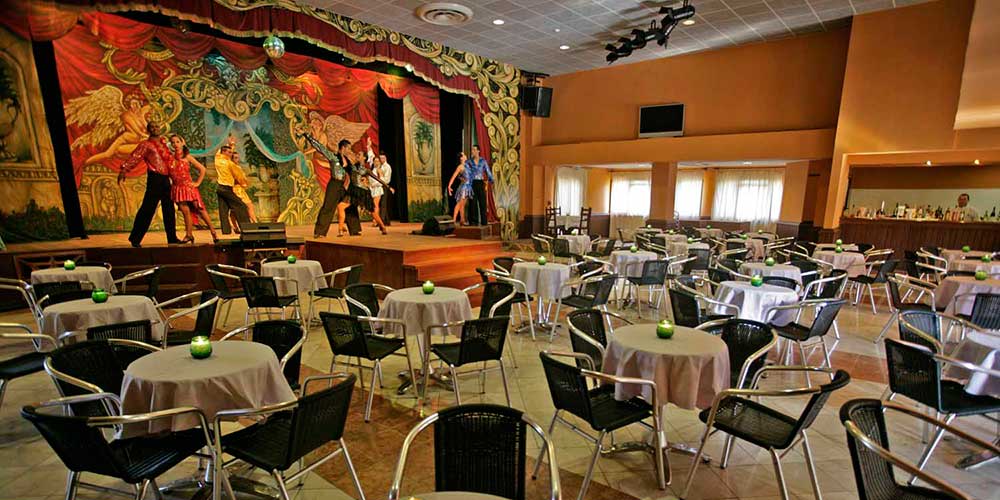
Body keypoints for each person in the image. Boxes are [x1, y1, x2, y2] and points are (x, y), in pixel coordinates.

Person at [117, 120, 180, 248]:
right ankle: (135, 238)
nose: (155, 128)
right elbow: (135, 157)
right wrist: (124, 170)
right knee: (148, 208)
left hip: (165, 179)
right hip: (155, 179)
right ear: (148, 130)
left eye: (157, 126)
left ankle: (172, 238)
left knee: (169, 209)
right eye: (152, 127)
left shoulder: (164, 144)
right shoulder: (146, 144)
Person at [167, 135, 219, 244]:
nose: (175, 144)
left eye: (177, 142)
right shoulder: (170, 158)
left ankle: (213, 232)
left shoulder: (187, 157)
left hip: (188, 187)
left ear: (182, 143)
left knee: (200, 209)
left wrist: (197, 183)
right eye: (173, 142)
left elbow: (202, 169)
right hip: (178, 188)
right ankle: (189, 234)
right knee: (186, 212)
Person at [337, 144, 386, 236]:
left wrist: (388, 187)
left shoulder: (366, 170)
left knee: (373, 212)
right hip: (353, 191)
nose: (357, 156)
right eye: (357, 154)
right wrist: (342, 154)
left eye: (359, 155)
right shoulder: (352, 166)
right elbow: (345, 166)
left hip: (363, 192)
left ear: (364, 158)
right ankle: (340, 229)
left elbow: (378, 179)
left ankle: (382, 226)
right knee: (340, 207)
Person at [306, 134, 350, 238]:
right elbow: (320, 147)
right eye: (348, 148)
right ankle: (319, 231)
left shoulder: (346, 160)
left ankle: (354, 229)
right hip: (334, 185)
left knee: (351, 203)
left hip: (342, 186)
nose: (349, 150)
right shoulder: (333, 157)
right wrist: (307, 135)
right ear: (343, 148)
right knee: (328, 207)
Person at [214, 142, 251, 235]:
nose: (231, 154)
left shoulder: (217, 159)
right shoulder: (229, 164)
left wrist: (230, 145)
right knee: (241, 206)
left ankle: (226, 231)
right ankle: (247, 228)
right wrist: (244, 184)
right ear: (224, 152)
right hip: (226, 188)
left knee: (223, 210)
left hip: (219, 188)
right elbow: (239, 176)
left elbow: (219, 152)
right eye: (229, 152)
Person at [365, 138, 392, 229]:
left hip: (380, 187)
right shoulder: (374, 167)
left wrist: (387, 186)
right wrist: (369, 145)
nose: (378, 161)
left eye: (381, 159)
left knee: (378, 204)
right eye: (379, 159)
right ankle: (385, 220)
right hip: (372, 188)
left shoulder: (385, 168)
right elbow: (371, 156)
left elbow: (384, 180)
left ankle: (379, 221)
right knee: (376, 205)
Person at [464, 144, 494, 225]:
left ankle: (484, 221)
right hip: (472, 183)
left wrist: (491, 180)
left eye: (474, 150)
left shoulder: (483, 161)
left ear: (478, 151)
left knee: (482, 203)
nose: (472, 151)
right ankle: (474, 222)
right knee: (473, 203)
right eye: (472, 150)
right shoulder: (469, 162)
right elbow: (466, 173)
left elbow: (488, 171)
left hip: (480, 183)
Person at [229, 151, 257, 223]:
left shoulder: (237, 167)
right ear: (231, 159)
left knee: (248, 206)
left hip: (240, 189)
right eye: (235, 158)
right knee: (246, 206)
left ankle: (254, 222)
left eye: (238, 158)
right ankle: (255, 222)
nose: (237, 160)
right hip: (235, 190)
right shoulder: (231, 168)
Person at [447, 152, 473, 226]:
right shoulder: (460, 167)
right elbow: (454, 176)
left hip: (468, 187)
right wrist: (449, 186)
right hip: (463, 187)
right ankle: (454, 220)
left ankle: (462, 220)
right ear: (461, 158)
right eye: (464, 155)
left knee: (463, 205)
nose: (465, 155)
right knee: (459, 204)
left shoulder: (467, 165)